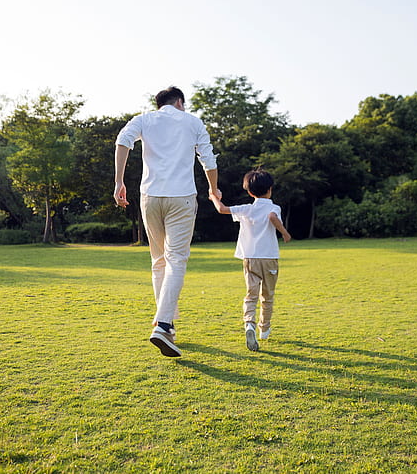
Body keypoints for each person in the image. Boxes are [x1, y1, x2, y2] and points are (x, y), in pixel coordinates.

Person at [114, 86, 220, 358]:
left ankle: (168, 325)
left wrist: (119, 182)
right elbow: (207, 158)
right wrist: (213, 189)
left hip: (150, 196)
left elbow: (123, 141)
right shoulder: (193, 122)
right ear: (180, 102)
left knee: (158, 261)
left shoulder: (144, 119)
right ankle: (162, 324)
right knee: (175, 260)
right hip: (181, 197)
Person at [208, 168, 291, 351]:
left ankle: (249, 324)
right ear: (270, 189)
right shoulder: (273, 207)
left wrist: (213, 196)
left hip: (250, 258)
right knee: (267, 296)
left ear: (250, 191)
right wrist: (284, 233)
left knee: (251, 294)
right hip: (269, 258)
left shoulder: (246, 209)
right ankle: (264, 330)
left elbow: (222, 210)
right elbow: (271, 217)